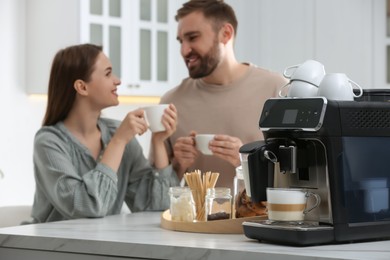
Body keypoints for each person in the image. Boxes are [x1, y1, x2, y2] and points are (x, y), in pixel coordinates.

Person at [30, 43, 179, 223]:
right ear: (82, 87)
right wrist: (118, 142)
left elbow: (157, 206)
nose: (118, 80)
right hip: (49, 248)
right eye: (108, 74)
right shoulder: (49, 142)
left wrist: (158, 142)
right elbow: (87, 206)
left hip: (101, 246)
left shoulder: (118, 133)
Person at [160, 0, 288, 189]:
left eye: (193, 38)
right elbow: (156, 191)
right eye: (181, 41)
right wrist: (178, 164)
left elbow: (300, 176)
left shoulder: (277, 90)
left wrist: (247, 161)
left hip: (256, 218)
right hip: (195, 218)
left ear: (226, 34)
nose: (184, 50)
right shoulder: (171, 102)